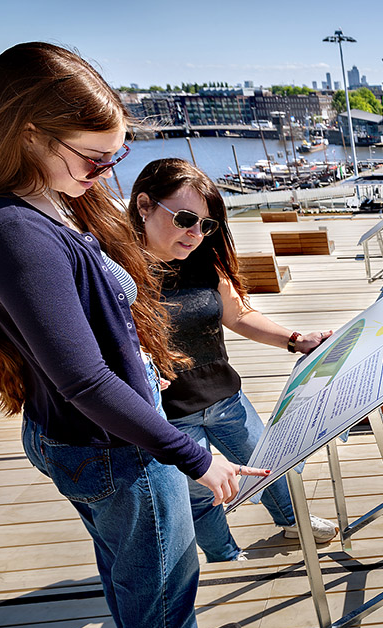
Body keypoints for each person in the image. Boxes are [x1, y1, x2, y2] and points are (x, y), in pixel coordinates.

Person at [0, 42, 255, 628]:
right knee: (163, 570)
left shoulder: (31, 197)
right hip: (113, 444)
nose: (107, 174)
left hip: (84, 436)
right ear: (27, 132)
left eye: (115, 157)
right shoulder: (11, 230)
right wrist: (193, 454)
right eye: (94, 158)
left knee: (129, 563)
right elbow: (82, 377)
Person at [128, 158, 338, 562]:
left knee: (272, 465)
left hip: (226, 399)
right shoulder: (114, 273)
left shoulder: (202, 261)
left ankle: (292, 521)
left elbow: (239, 315)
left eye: (207, 225)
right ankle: (225, 556)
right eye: (186, 218)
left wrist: (296, 339)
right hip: (170, 416)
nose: (196, 234)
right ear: (144, 205)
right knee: (204, 495)